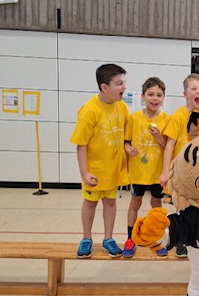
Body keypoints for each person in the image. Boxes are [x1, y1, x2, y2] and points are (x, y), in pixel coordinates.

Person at [70, 63, 130, 259]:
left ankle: (108, 238)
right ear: (105, 87)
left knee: (110, 203)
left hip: (113, 170)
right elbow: (81, 144)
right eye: (119, 83)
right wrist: (84, 173)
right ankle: (86, 238)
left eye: (124, 82)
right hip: (95, 171)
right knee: (90, 203)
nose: (124, 87)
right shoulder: (89, 110)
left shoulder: (122, 107)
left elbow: (126, 138)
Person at [122, 77, 171, 258]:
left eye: (159, 95)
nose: (154, 98)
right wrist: (130, 149)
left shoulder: (167, 119)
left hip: (157, 174)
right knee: (135, 203)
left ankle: (156, 238)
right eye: (150, 94)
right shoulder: (133, 118)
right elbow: (125, 143)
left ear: (164, 98)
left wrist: (159, 137)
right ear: (143, 96)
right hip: (138, 172)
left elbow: (168, 146)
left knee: (156, 205)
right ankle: (130, 238)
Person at [160, 73, 199, 258]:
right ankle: (180, 241)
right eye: (194, 88)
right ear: (185, 94)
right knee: (181, 207)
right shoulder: (179, 116)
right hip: (181, 171)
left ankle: (196, 239)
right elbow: (169, 144)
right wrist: (166, 172)